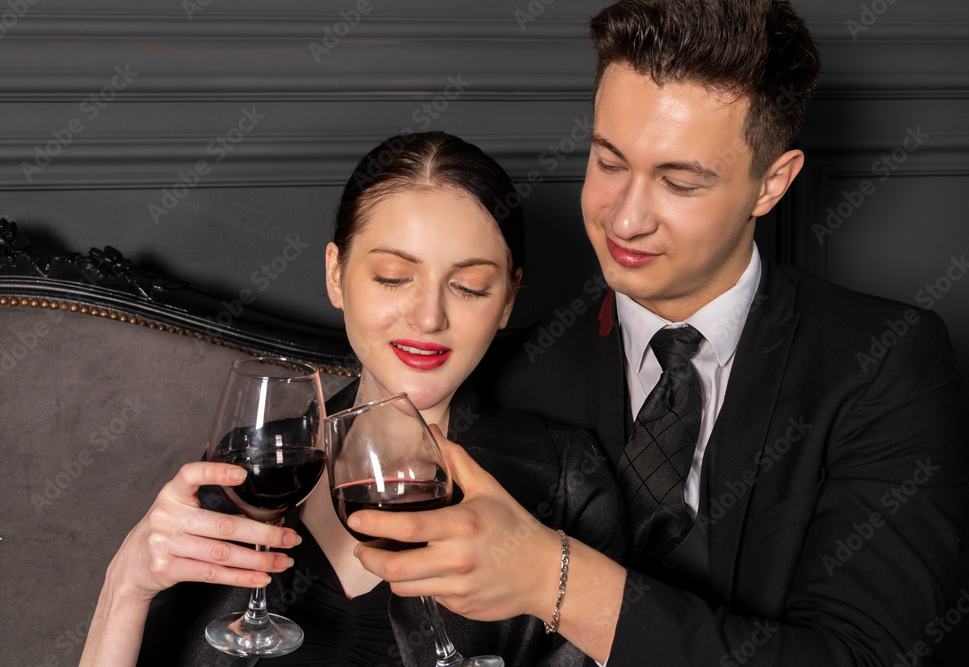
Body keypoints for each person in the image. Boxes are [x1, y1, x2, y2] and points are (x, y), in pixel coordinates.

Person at [345, 1, 968, 665]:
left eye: (679, 181)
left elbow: (862, 656)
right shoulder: (508, 372)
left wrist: (555, 580)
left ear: (772, 183)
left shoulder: (885, 362)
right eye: (609, 162)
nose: (626, 218)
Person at [78, 132, 624, 667]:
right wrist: (123, 587)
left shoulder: (564, 481)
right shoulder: (248, 467)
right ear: (335, 275)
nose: (429, 317)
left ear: (506, 300)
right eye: (393, 277)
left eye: (469, 286)